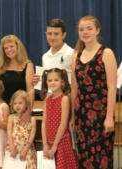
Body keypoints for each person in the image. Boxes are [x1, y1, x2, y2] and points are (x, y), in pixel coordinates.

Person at [70, 15, 117, 168]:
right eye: (81, 29)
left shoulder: (106, 53)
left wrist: (109, 117)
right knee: (84, 156)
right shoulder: (75, 55)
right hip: (82, 114)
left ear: (97, 30)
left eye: (89, 28)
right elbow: (74, 88)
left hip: (101, 113)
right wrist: (72, 116)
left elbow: (111, 87)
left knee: (101, 156)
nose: (85, 32)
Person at [40, 68, 78, 168]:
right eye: (50, 80)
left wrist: (55, 145)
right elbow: (44, 123)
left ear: (62, 82)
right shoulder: (47, 99)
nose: (53, 83)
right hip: (49, 141)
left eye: (56, 80)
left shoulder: (64, 99)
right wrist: (44, 144)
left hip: (61, 142)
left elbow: (63, 124)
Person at [0, 35, 34, 122]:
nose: (9, 50)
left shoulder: (27, 65)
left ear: (18, 47)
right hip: (1, 111)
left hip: (20, 111)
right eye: (6, 48)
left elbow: (30, 90)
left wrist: (28, 111)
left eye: (11, 46)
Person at [32, 19, 73, 85]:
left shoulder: (71, 54)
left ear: (63, 35)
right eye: (49, 33)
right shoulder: (45, 57)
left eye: (56, 34)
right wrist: (39, 80)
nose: (52, 37)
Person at [4, 90, 37, 168]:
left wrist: (25, 149)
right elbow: (9, 132)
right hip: (13, 148)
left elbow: (32, 136)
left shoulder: (32, 119)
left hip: (27, 149)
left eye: (20, 103)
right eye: (15, 103)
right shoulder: (11, 117)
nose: (17, 106)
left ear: (26, 104)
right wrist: (12, 147)